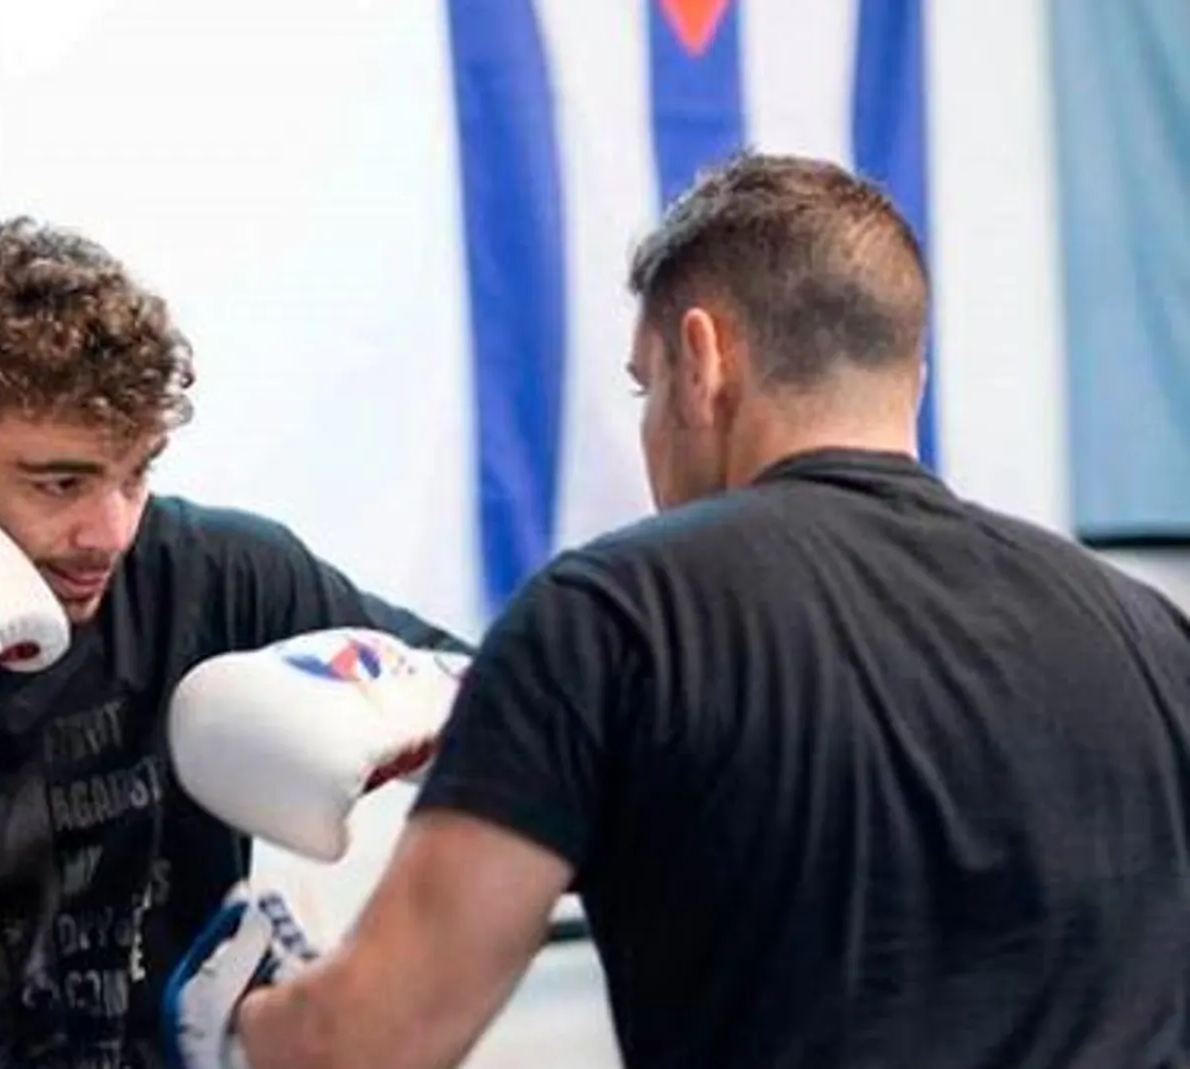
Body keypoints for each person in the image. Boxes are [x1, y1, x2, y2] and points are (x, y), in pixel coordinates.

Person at [166, 151, 1190, 1069]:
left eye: (642, 387)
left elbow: (372, 1041)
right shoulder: (1146, 631)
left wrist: (234, 1019)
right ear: (908, 373)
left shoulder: (612, 615)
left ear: (702, 360)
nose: (651, 428)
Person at [0, 217, 475, 1069]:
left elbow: (507, 708)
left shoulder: (222, 576)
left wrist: (391, 721)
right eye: (61, 482)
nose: (107, 531)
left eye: (137, 471)